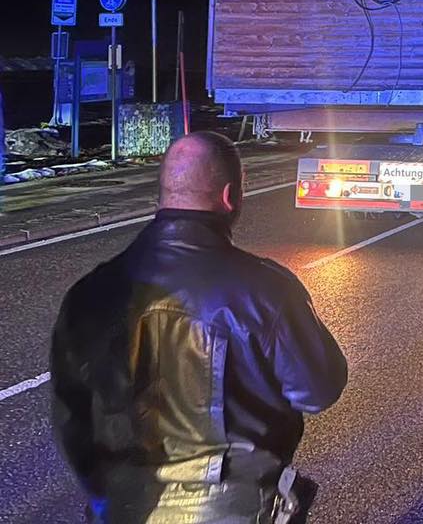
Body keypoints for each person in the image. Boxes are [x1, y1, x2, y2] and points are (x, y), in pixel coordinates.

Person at [50, 131, 347, 523]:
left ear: (162, 195)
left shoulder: (89, 292)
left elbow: (69, 418)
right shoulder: (266, 289)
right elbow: (317, 390)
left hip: (122, 507)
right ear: (230, 196)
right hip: (234, 507)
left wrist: (112, 492)